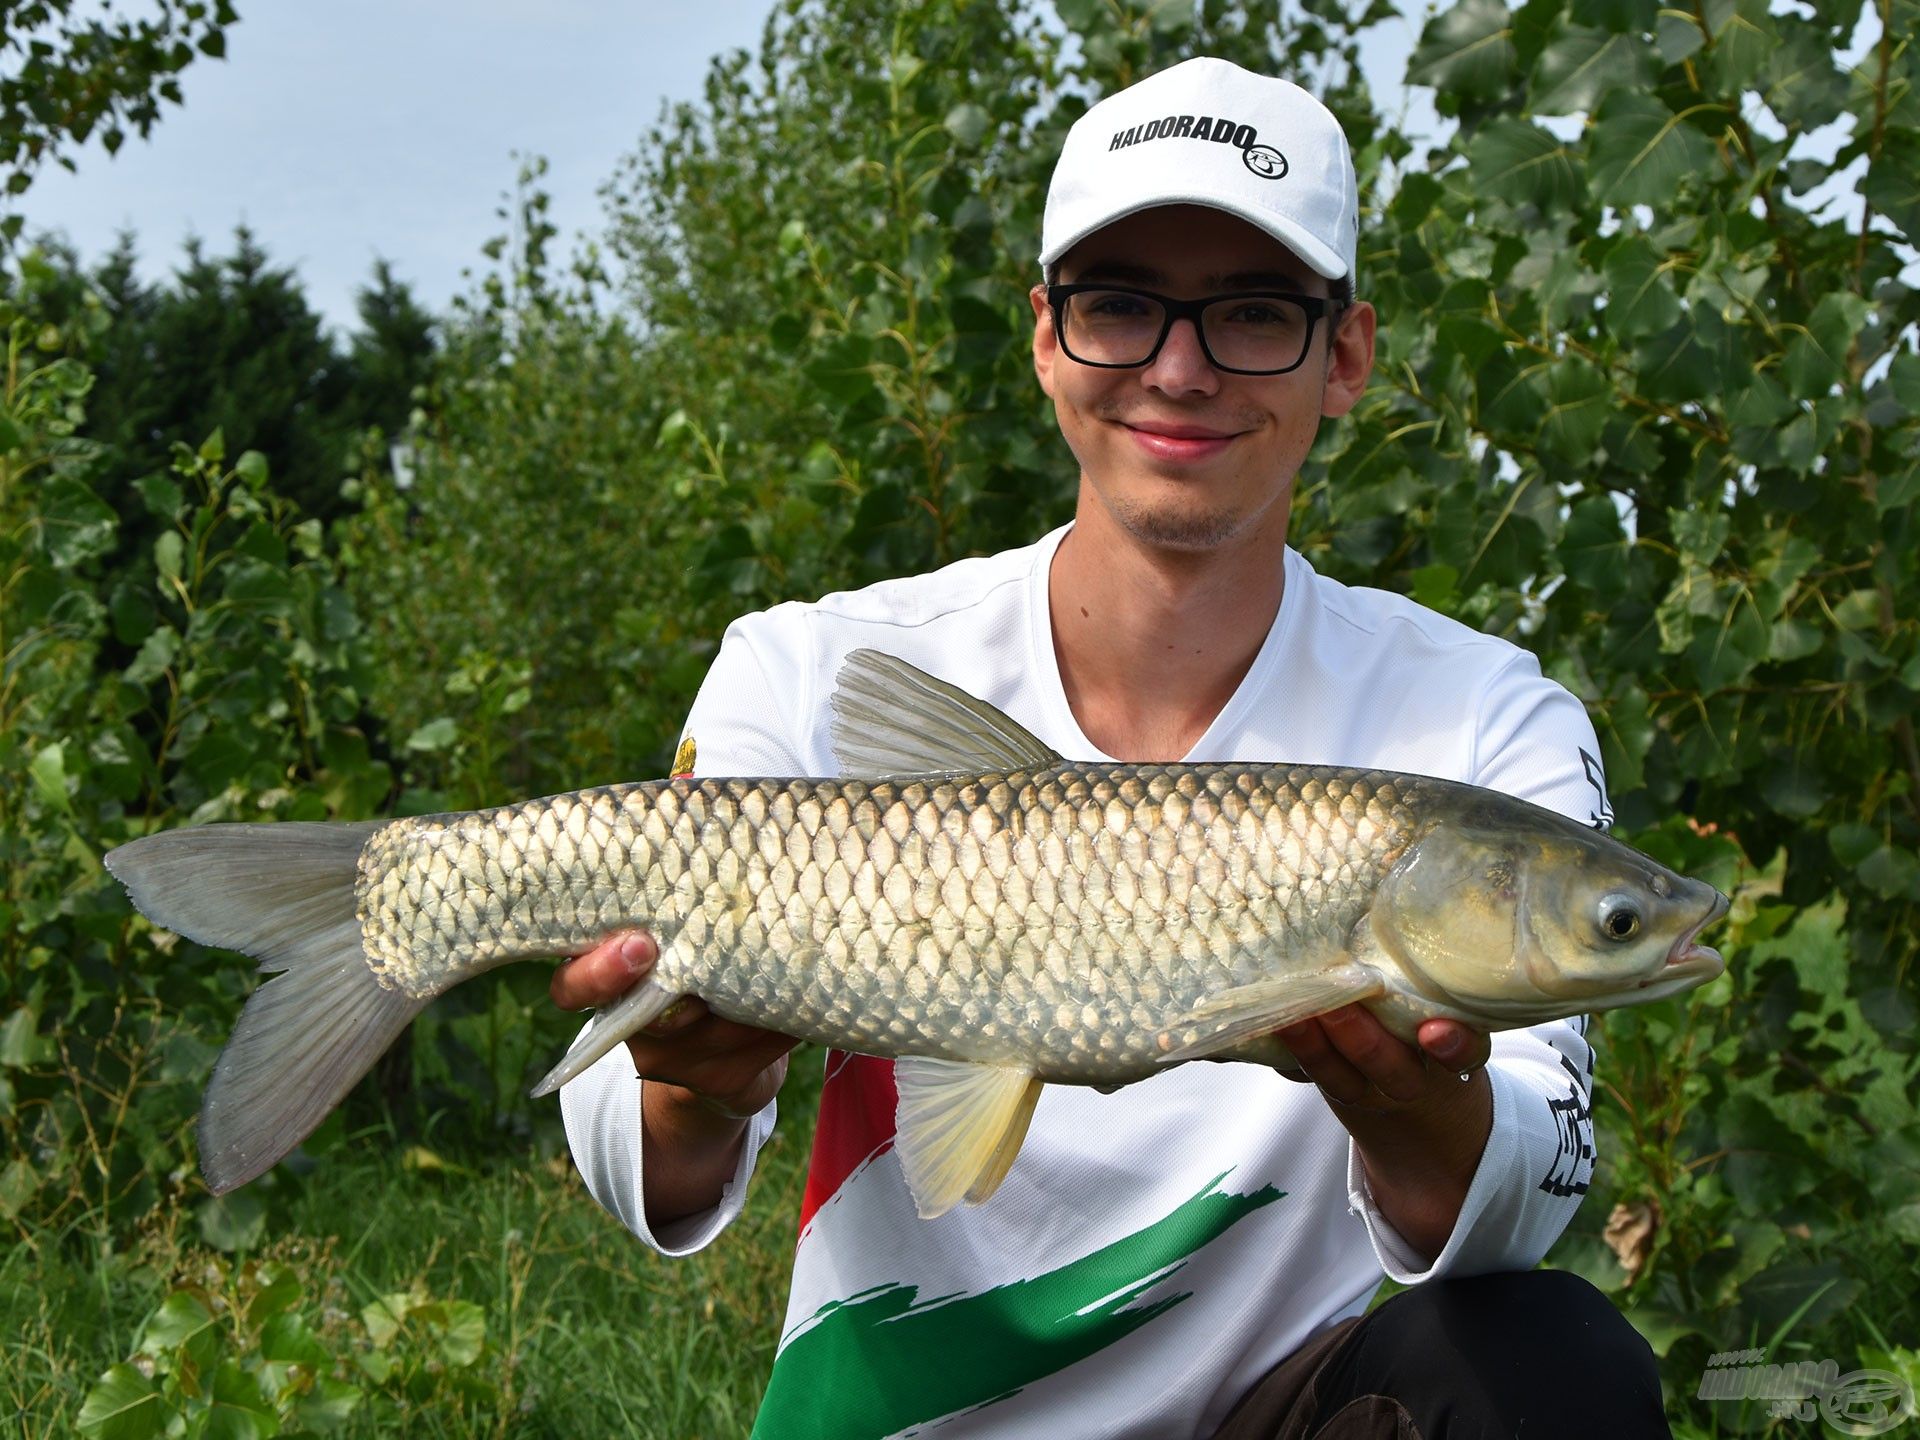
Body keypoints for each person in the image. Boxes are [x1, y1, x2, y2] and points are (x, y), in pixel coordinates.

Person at [549, 57, 1668, 1438]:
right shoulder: (817, 669)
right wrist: (691, 1094)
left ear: (1350, 355)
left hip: (1275, 1410)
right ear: (1045, 337)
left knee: (1554, 1365)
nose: (1179, 369)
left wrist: (1417, 1113)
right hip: (895, 1418)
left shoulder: (1485, 720)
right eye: (1122, 306)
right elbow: (636, 1158)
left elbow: (1535, 1187)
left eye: (1254, 313)